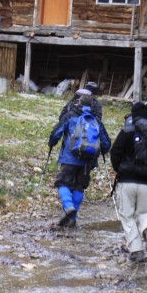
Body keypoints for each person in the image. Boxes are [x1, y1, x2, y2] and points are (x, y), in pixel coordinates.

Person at [49, 94, 111, 227]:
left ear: (78, 103)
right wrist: (102, 151)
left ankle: (68, 206)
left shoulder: (71, 115)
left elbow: (56, 132)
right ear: (92, 106)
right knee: (79, 187)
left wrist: (51, 143)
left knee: (62, 183)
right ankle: (72, 218)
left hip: (69, 158)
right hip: (88, 161)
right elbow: (106, 144)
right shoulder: (96, 120)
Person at [110, 102, 147, 263]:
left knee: (127, 215)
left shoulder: (127, 130)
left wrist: (119, 169)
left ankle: (136, 250)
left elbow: (115, 152)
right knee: (144, 212)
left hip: (128, 180)